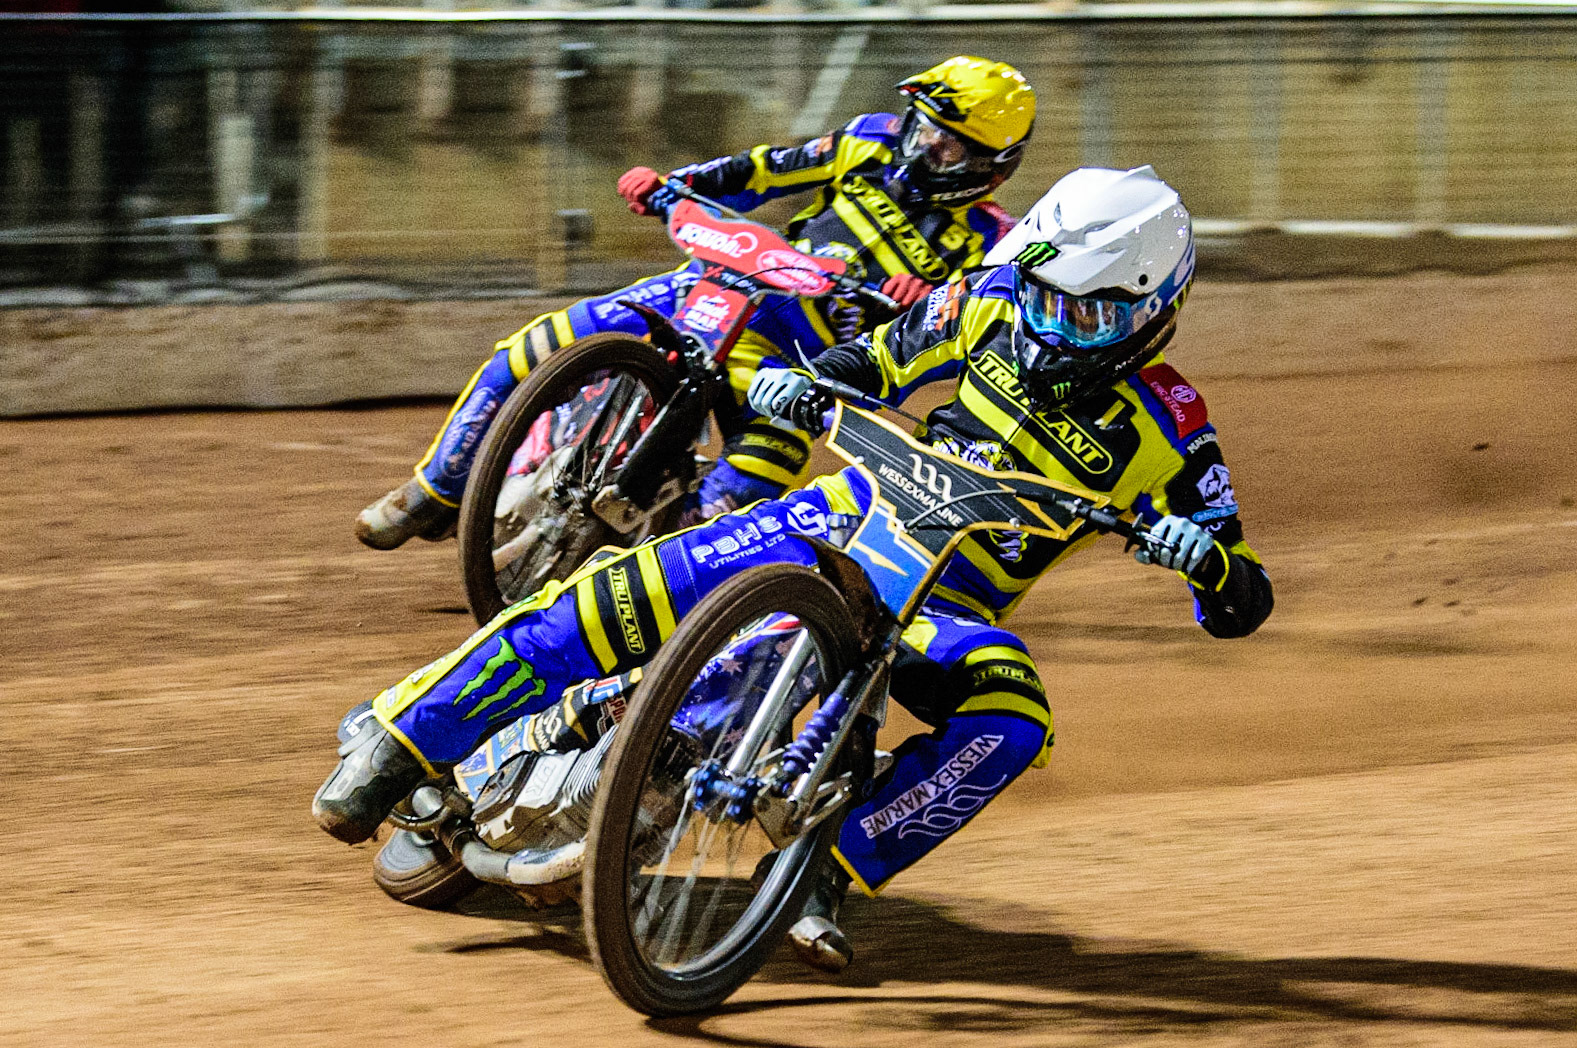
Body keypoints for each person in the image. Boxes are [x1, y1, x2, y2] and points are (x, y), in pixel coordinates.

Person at [315, 165, 1273, 972]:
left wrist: (1208, 563)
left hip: (945, 607)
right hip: (837, 519)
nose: (1052, 326)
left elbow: (1241, 599)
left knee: (1014, 718)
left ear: (1152, 309)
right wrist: (804, 383)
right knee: (618, 594)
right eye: (1045, 296)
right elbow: (873, 361)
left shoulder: (1175, 428)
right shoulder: (987, 304)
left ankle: (824, 872)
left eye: (1084, 312)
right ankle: (400, 743)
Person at [355, 55, 1036, 548]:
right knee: (535, 347)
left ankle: (652, 593)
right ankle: (434, 493)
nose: (922, 147)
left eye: (946, 145)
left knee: (749, 486)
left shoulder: (991, 244)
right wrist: (675, 185)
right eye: (922, 128)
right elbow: (764, 170)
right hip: (725, 284)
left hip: (799, 364)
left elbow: (957, 341)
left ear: (989, 166)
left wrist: (923, 305)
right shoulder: (868, 141)